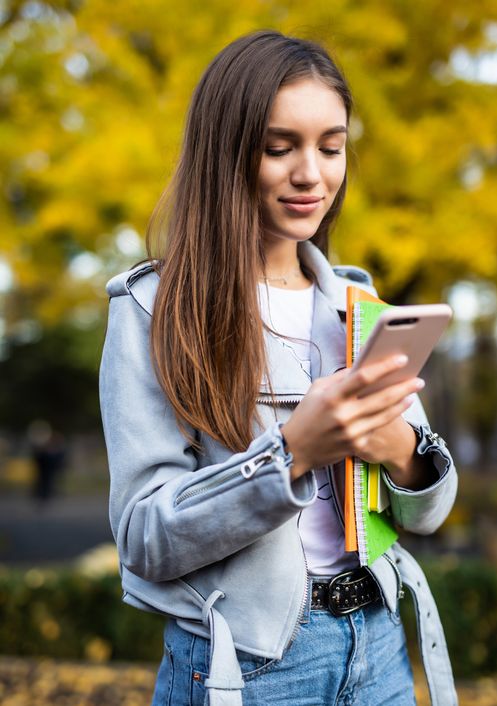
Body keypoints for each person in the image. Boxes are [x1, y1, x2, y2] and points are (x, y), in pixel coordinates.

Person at [99, 30, 458, 706]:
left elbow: (430, 511)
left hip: (378, 644)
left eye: (331, 146)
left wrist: (402, 452)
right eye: (278, 147)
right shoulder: (153, 309)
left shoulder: (358, 303)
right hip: (250, 665)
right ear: (227, 150)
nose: (311, 175)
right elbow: (144, 538)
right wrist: (292, 454)